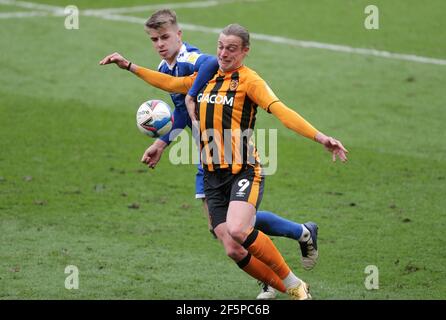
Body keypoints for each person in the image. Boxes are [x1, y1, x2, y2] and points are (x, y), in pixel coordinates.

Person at [100, 22, 348, 299]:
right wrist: (129, 66)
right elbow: (170, 83)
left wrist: (320, 137)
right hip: (211, 173)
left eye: (231, 49)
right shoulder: (205, 77)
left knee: (240, 229)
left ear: (244, 52)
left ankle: (292, 282)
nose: (224, 53)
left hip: (243, 169)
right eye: (220, 46)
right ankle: (291, 287)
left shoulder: (249, 81)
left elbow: (282, 112)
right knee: (231, 246)